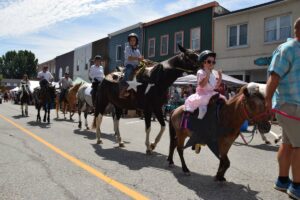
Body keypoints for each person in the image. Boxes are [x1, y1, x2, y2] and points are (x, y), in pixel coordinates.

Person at [265, 18, 300, 200]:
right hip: (291, 105)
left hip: (295, 106)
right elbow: (274, 76)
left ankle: (283, 180)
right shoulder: (287, 49)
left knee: (288, 144)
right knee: (299, 146)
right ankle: (297, 187)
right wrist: (268, 100)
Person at [184, 50, 224, 154]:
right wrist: (206, 75)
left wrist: (220, 78)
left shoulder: (212, 73)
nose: (211, 64)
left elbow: (215, 86)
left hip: (211, 93)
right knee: (202, 110)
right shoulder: (200, 72)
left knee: (222, 105)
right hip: (202, 94)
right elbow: (201, 85)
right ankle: (198, 130)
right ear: (203, 62)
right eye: (209, 61)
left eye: (213, 62)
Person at [119, 33, 144, 98]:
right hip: (129, 65)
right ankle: (122, 91)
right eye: (131, 40)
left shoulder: (137, 51)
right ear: (129, 41)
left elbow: (140, 59)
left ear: (136, 41)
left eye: (134, 40)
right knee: (128, 72)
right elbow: (129, 58)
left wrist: (143, 60)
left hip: (136, 66)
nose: (132, 41)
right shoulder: (127, 48)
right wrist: (138, 58)